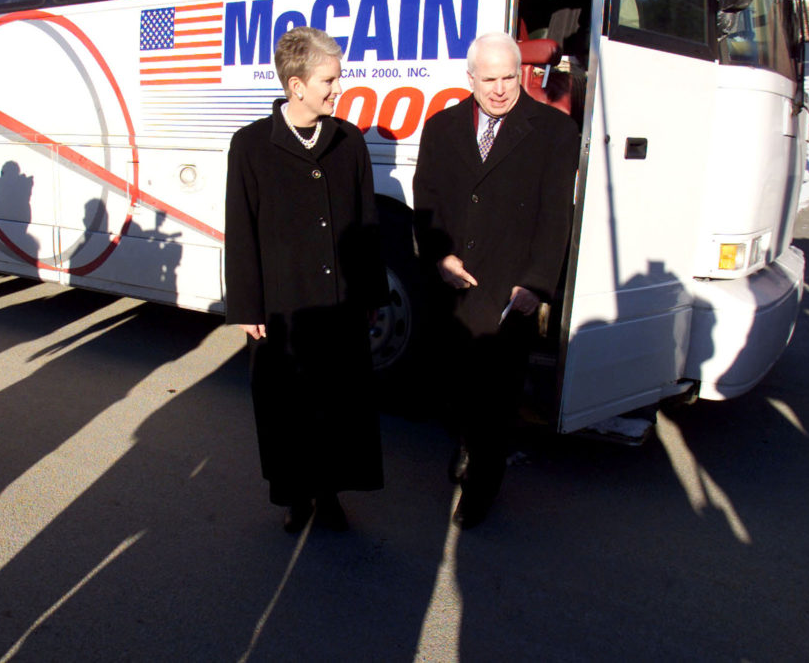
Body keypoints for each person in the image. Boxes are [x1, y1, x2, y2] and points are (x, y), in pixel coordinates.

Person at [225, 27, 389, 534]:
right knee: (288, 406)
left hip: (340, 304)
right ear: (296, 86)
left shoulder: (349, 141)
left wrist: (371, 293)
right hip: (284, 306)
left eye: (338, 78)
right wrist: (247, 306)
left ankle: (330, 492)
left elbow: (366, 223)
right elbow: (241, 229)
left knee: (338, 404)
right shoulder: (251, 145)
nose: (338, 88)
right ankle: (296, 495)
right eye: (329, 80)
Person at [412, 32, 579, 529]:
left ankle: (482, 487)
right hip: (454, 285)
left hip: (511, 290)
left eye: (509, 77)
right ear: (470, 78)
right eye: (489, 79)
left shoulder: (553, 131)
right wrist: (439, 256)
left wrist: (537, 284)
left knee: (497, 395)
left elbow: (556, 217)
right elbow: (426, 202)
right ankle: (467, 441)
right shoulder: (440, 128)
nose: (501, 89)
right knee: (454, 384)